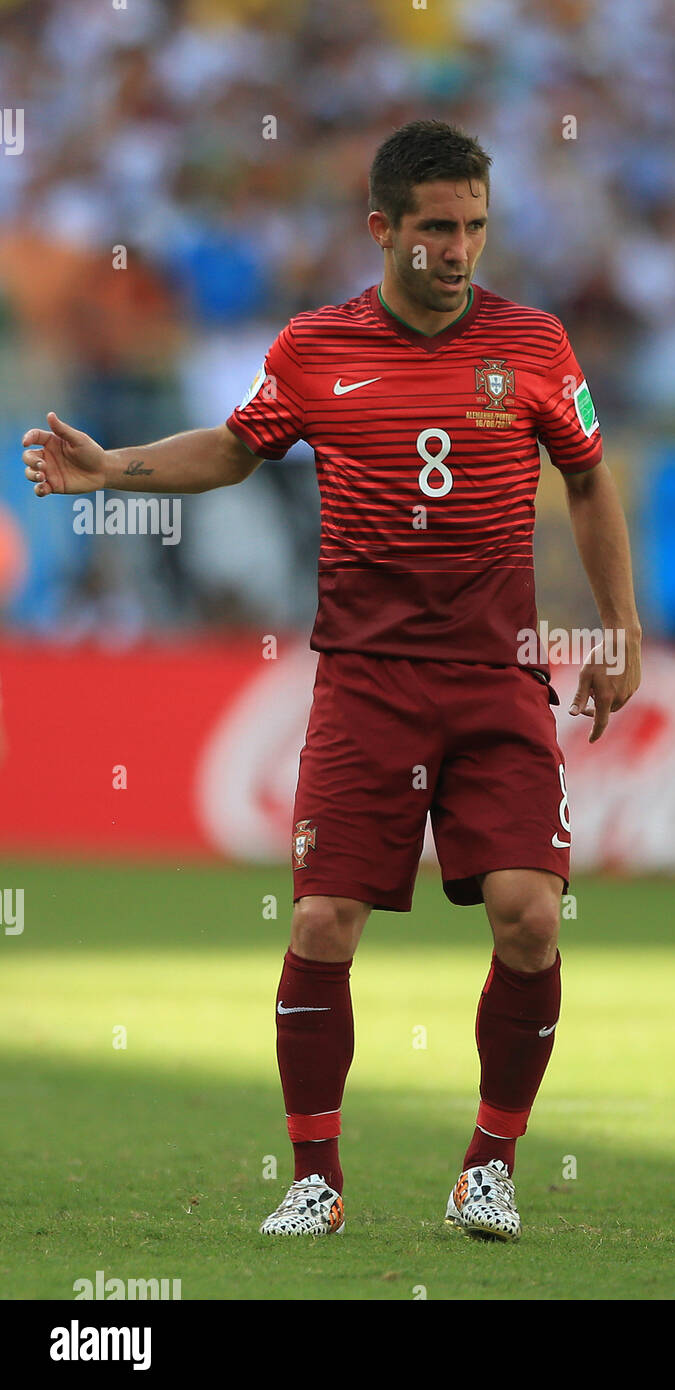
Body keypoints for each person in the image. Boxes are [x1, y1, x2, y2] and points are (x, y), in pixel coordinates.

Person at [22, 119, 642, 1243]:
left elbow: (589, 485)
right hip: (365, 682)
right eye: (438, 230)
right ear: (384, 229)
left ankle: (488, 1166)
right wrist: (114, 469)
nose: (459, 251)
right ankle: (316, 1175)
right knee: (321, 922)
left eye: (475, 228)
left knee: (530, 919)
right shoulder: (316, 347)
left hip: (497, 679)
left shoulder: (537, 344)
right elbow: (238, 445)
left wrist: (619, 630)